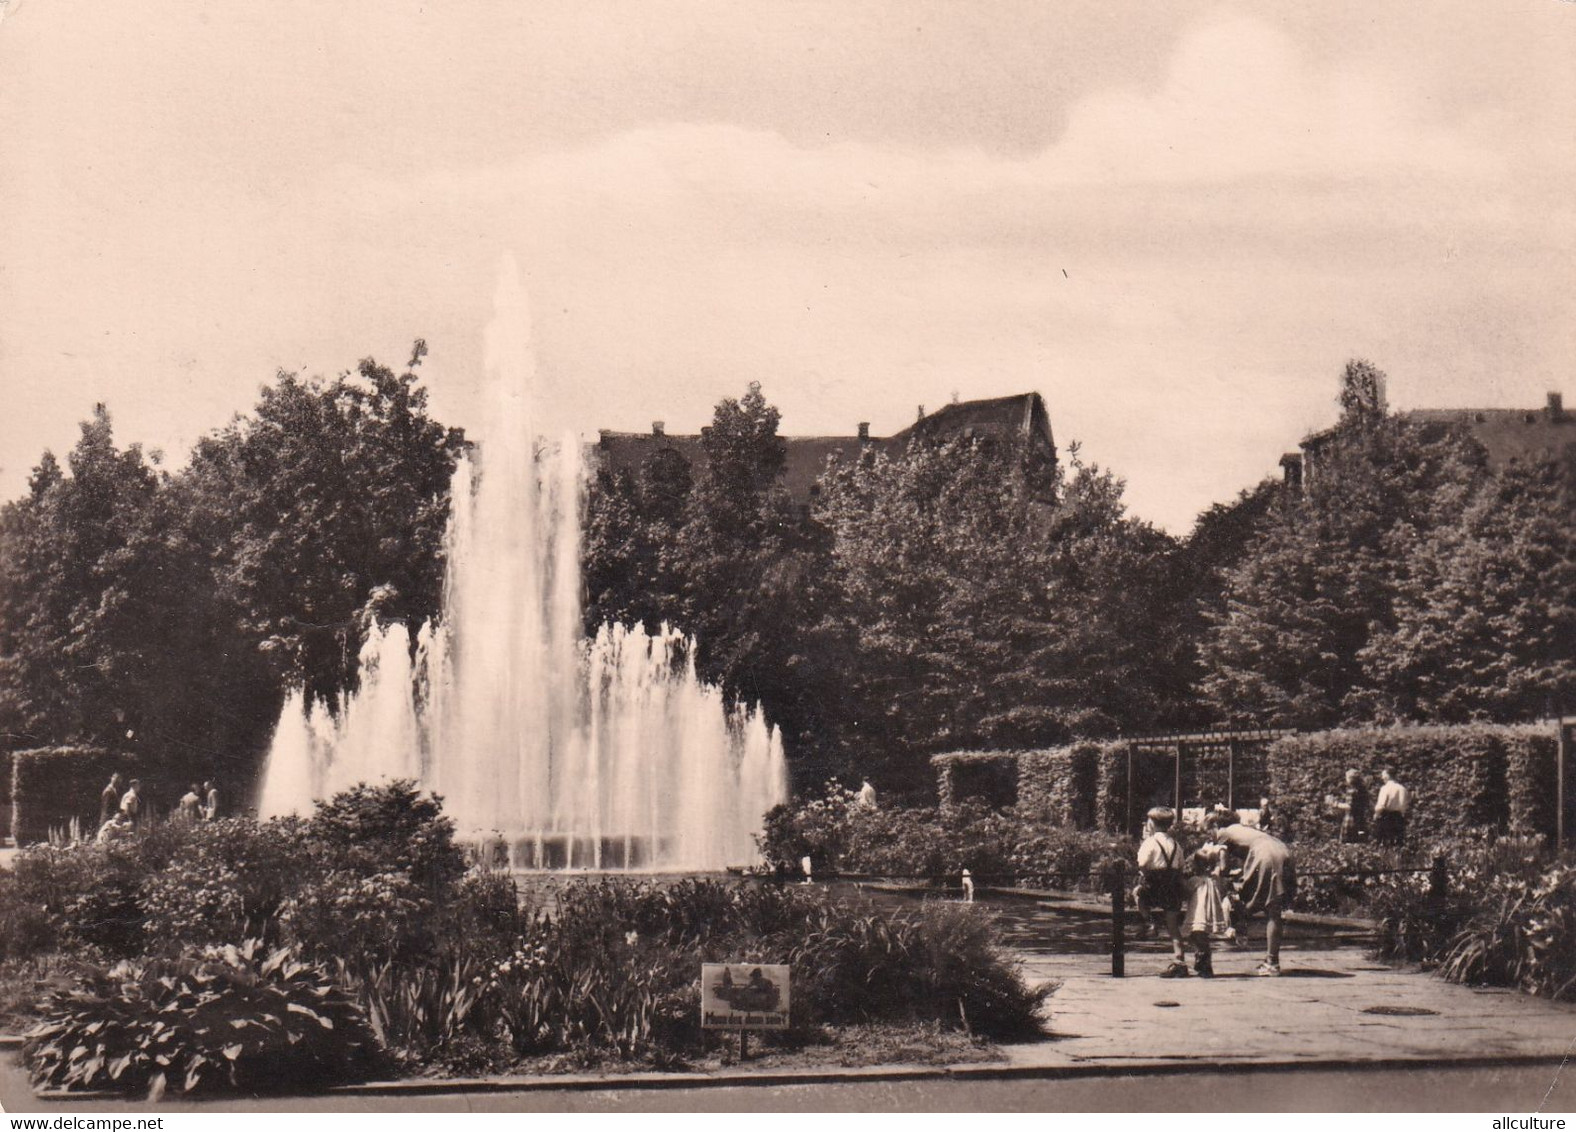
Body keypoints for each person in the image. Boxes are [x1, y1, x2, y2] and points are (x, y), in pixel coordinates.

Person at [1207, 810, 1297, 976]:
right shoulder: (1246, 830)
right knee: (1273, 910)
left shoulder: (1223, 833)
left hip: (1266, 856)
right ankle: (1271, 959)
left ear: (1215, 826)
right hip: (1283, 852)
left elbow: (1223, 867)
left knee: (1249, 900)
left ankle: (1267, 958)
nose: (1209, 836)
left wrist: (1213, 872)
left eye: (1208, 831)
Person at [1135, 806, 1189, 978]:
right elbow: (1181, 866)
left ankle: (1149, 921)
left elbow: (1142, 863)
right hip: (1172, 885)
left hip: (1155, 884)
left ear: (1152, 823)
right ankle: (1180, 960)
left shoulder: (1150, 842)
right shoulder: (1175, 844)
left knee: (1137, 893)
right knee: (1173, 925)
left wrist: (1145, 873)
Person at [1182, 846, 1232, 977]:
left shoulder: (1195, 880)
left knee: (1197, 936)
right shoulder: (1215, 879)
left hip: (1198, 913)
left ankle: (1204, 962)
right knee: (1199, 937)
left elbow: (1186, 892)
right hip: (1209, 914)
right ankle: (1202, 960)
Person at [1373, 769, 1409, 846]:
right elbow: (1404, 806)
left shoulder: (1385, 788)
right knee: (1398, 843)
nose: (1382, 778)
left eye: (1383, 775)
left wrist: (1376, 814)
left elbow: (1381, 805)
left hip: (1386, 817)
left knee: (1385, 843)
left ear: (1387, 776)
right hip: (1399, 818)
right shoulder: (1402, 788)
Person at [1336, 769, 1369, 843]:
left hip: (1351, 821)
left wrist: (1336, 804)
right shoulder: (1363, 790)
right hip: (1361, 821)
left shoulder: (1351, 791)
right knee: (1360, 841)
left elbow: (1349, 806)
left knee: (1347, 843)